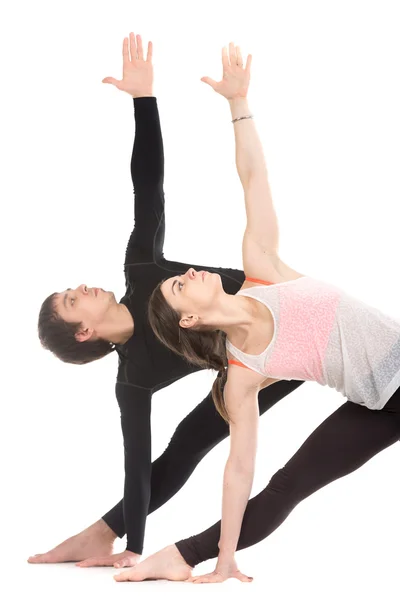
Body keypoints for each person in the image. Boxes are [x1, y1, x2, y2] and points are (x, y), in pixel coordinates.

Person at [28, 33, 304, 569]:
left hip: (278, 302)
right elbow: (137, 462)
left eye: (70, 288)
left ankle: (99, 534)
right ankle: (110, 537)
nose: (81, 286)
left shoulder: (141, 269)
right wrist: (134, 546)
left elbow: (148, 186)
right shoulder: (133, 378)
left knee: (190, 435)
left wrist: (143, 100)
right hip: (267, 360)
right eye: (71, 300)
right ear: (84, 332)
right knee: (186, 443)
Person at [138, 42, 400, 583]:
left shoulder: (262, 269)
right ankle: (185, 556)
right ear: (189, 321)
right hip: (379, 405)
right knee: (286, 485)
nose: (187, 274)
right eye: (178, 289)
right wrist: (227, 556)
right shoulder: (244, 375)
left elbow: (253, 178)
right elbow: (239, 470)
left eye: (180, 275)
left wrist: (238, 104)